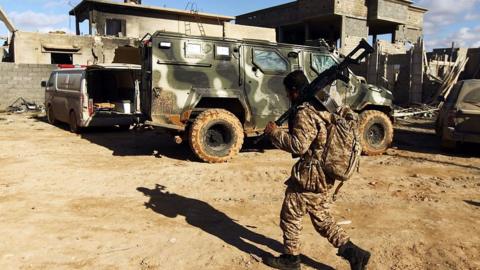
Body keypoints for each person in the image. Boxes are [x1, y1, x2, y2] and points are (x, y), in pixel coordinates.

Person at [263, 70, 371, 270]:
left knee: (290, 212)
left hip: (311, 175)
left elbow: (299, 146)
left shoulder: (305, 111)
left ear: (295, 91)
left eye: (288, 92)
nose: (288, 96)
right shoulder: (321, 104)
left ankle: (291, 259)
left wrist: (275, 133)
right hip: (324, 173)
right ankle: (355, 254)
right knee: (322, 218)